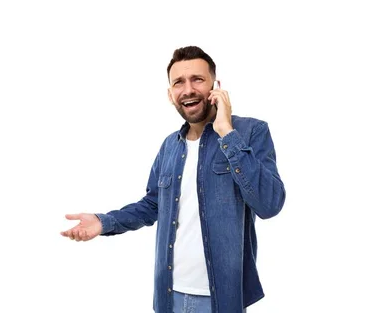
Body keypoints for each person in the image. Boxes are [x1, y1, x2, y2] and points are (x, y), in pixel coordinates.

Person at [60, 46, 286, 313]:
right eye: (179, 82)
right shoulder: (170, 146)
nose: (188, 89)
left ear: (216, 87)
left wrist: (226, 131)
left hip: (222, 299)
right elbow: (152, 204)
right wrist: (103, 221)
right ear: (170, 95)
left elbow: (269, 204)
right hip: (169, 297)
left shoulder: (250, 132)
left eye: (198, 79)